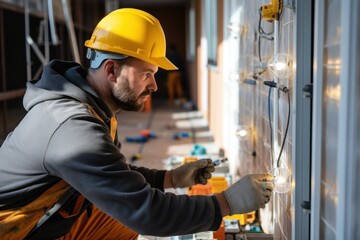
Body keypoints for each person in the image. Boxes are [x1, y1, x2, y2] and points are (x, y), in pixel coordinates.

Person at [0, 8, 274, 239]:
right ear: (111, 70)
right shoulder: (72, 128)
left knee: (120, 218)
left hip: (48, 218)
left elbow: (113, 174)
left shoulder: (92, 108)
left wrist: (171, 178)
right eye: (147, 74)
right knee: (131, 215)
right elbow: (147, 213)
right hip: (17, 231)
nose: (155, 85)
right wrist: (228, 202)